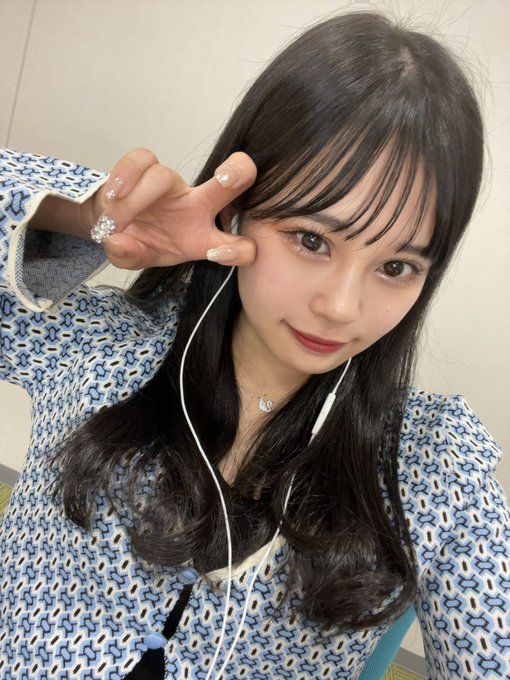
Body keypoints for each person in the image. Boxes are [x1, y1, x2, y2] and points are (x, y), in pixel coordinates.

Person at [0, 10, 508, 680]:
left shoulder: (435, 464)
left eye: (396, 266)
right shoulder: (95, 342)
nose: (342, 307)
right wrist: (88, 214)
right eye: (312, 240)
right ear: (238, 209)